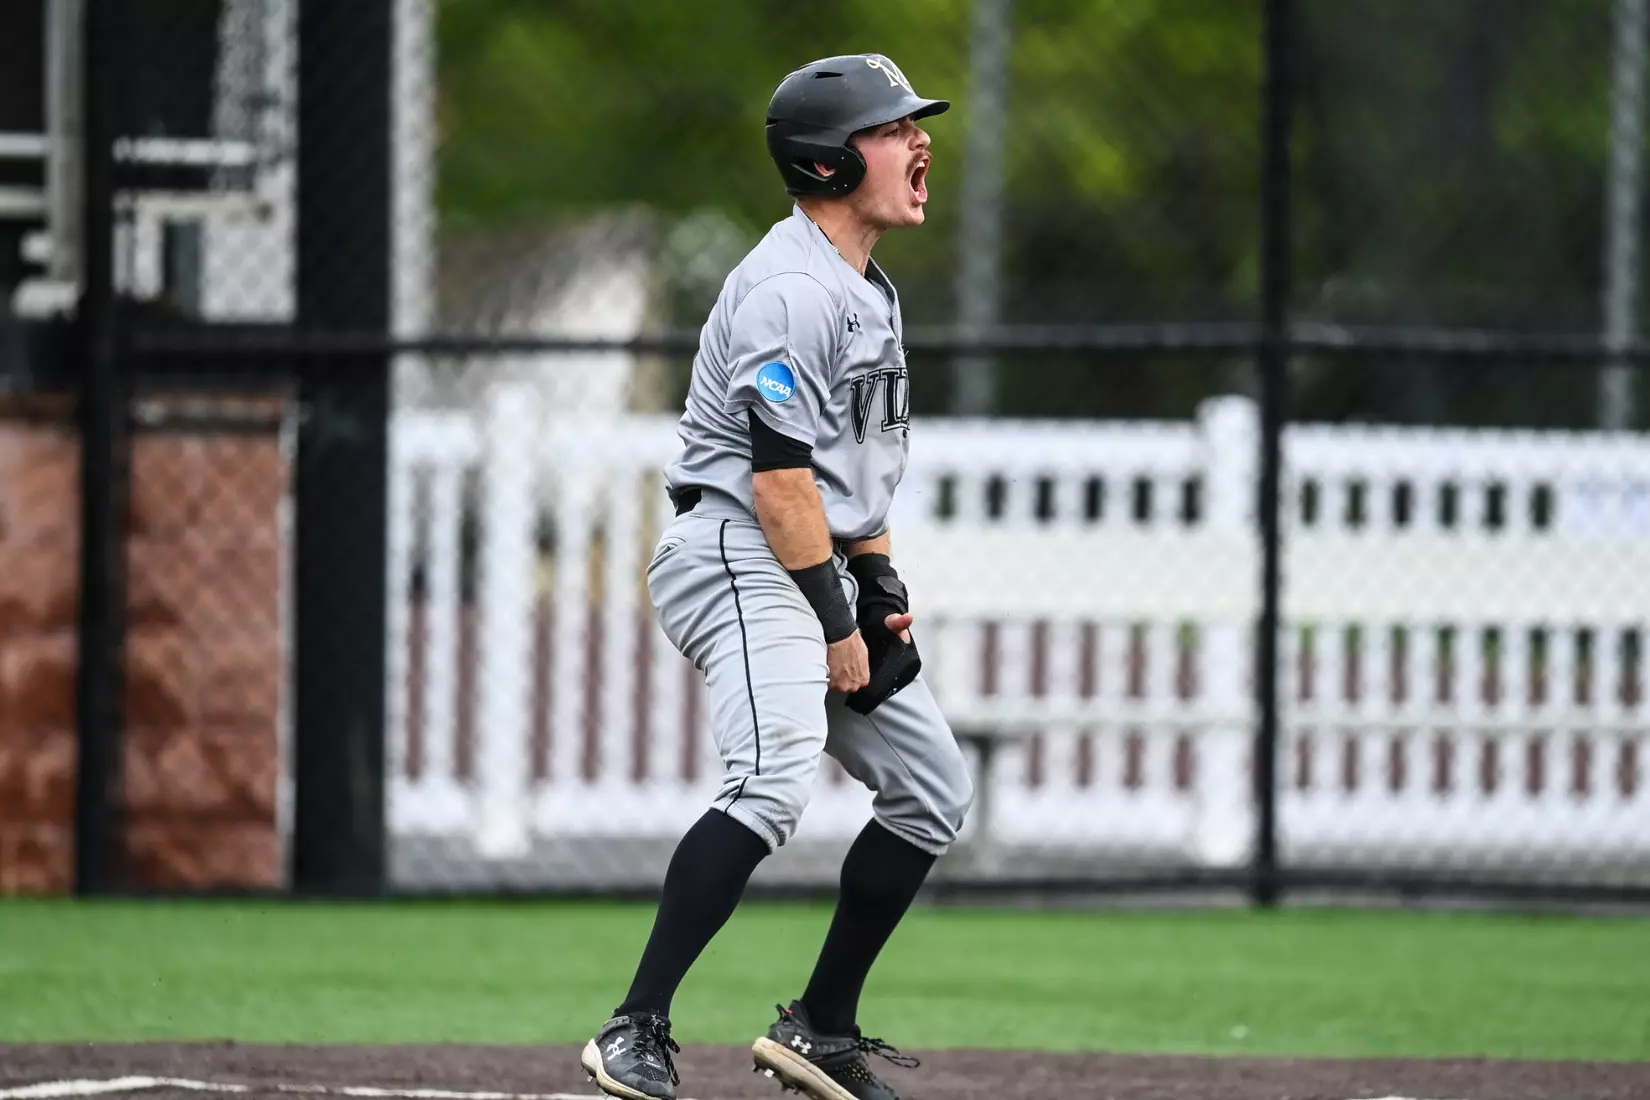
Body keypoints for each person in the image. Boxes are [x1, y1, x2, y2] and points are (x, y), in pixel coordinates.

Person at [580, 53, 973, 1100]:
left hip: (810, 561)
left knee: (932, 790)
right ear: (830, 161)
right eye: (893, 129)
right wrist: (837, 620)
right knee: (769, 778)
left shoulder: (865, 289)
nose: (919, 141)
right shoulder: (791, 288)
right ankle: (633, 1026)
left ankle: (821, 1029)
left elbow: (854, 479)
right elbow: (780, 481)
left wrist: (879, 591)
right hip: (739, 553)